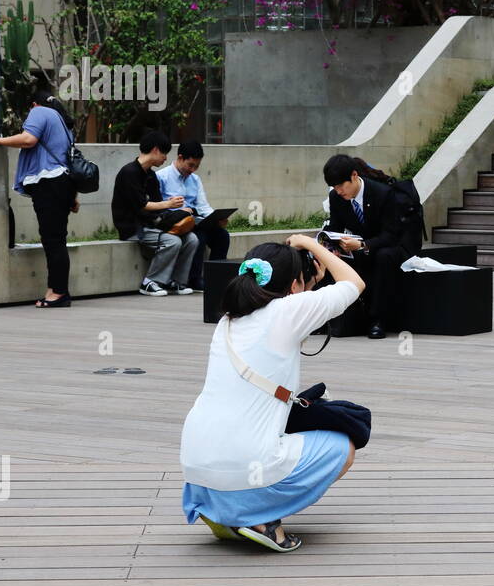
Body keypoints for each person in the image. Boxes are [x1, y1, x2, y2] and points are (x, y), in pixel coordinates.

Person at [180, 237, 365, 552]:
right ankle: (259, 518)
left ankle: (224, 509)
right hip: (242, 460)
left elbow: (287, 327)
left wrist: (306, 285)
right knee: (342, 447)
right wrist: (309, 243)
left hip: (197, 464)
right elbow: (354, 282)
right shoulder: (287, 312)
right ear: (294, 285)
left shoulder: (229, 320)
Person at [0, 86, 80, 308]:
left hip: (49, 183)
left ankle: (60, 293)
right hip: (62, 184)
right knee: (56, 239)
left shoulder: (40, 112)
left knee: (53, 240)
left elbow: (28, 140)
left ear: (34, 104)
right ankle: (53, 290)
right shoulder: (63, 123)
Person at [323, 154, 420, 339]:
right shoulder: (336, 197)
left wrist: (363, 245)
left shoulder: (383, 193)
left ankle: (377, 320)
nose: (339, 191)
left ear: (353, 176)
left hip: (389, 245)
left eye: (341, 186)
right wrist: (330, 245)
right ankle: (336, 318)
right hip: (357, 245)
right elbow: (335, 227)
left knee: (383, 256)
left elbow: (391, 234)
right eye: (334, 187)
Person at [111, 131, 199, 296]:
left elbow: (158, 206)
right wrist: (169, 204)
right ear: (156, 150)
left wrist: (177, 212)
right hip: (133, 228)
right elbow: (140, 206)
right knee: (173, 241)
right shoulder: (129, 172)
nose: (165, 158)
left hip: (152, 224)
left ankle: (175, 281)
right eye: (164, 153)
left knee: (192, 239)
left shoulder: (151, 175)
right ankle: (150, 281)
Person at [157, 140, 228, 292]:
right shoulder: (162, 177)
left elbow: (203, 206)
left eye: (196, 166)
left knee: (222, 236)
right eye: (191, 165)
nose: (193, 170)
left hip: (196, 220)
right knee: (200, 236)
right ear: (180, 157)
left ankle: (215, 279)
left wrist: (216, 218)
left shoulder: (195, 180)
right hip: (176, 222)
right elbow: (158, 206)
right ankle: (193, 280)